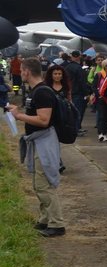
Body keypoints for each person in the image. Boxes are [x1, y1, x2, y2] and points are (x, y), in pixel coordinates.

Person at [9, 57, 66, 237]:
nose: (20, 74)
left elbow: (43, 120)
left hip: (44, 140)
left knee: (44, 184)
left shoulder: (42, 93)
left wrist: (19, 116)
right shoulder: (36, 92)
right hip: (38, 140)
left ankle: (57, 224)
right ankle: (44, 219)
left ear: (26, 71)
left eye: (22, 71)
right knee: (38, 182)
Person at [63, 50, 90, 135]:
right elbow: (82, 82)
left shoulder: (67, 67)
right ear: (78, 56)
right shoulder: (79, 68)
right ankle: (76, 129)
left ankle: (76, 127)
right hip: (78, 92)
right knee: (78, 111)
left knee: (72, 111)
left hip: (70, 92)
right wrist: (86, 93)